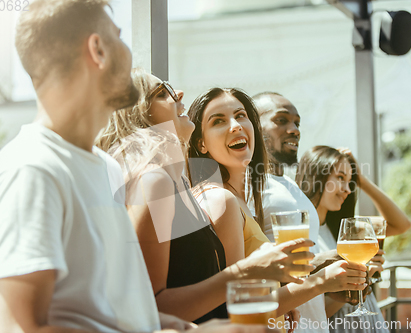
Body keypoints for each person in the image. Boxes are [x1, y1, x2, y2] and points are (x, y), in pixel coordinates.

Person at [0, 1, 276, 332]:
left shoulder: (105, 169)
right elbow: (21, 327)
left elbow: (114, 313)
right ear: (98, 49)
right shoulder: (31, 170)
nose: (130, 52)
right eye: (119, 37)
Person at [96, 69, 315, 325]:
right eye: (162, 92)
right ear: (138, 113)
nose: (178, 93)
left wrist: (268, 299)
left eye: (242, 115)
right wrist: (249, 272)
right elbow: (150, 308)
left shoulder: (177, 185)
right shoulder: (155, 181)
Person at [187, 88, 369, 327]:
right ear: (201, 143)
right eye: (218, 120)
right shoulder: (222, 200)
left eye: (241, 115)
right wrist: (321, 281)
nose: (235, 125)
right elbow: (239, 303)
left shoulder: (236, 198)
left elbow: (256, 289)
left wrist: (288, 297)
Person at [253, 92, 361, 333]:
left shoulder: (289, 185)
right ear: (253, 125)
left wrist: (335, 281)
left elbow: (301, 275)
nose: (294, 129)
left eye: (297, 123)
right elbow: (250, 268)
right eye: (281, 120)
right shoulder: (251, 186)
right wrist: (319, 265)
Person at [295, 145, 411, 332]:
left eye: (350, 181)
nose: (348, 189)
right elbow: (312, 312)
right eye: (340, 177)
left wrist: (362, 180)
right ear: (315, 175)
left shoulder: (346, 229)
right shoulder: (298, 233)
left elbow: (402, 224)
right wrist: (359, 280)